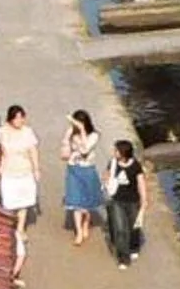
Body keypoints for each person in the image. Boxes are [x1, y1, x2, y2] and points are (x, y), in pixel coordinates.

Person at [0, 104, 40, 254]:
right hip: (8, 171)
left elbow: (33, 151)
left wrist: (36, 169)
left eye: (21, 117)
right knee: (9, 202)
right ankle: (7, 227)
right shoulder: (2, 131)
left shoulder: (28, 132)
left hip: (25, 171)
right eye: (17, 118)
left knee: (23, 203)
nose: (20, 120)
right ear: (11, 119)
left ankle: (20, 229)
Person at [60, 110, 104, 247]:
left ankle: (86, 222)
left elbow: (85, 150)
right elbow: (64, 152)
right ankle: (78, 232)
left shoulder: (94, 135)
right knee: (76, 203)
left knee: (86, 203)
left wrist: (82, 131)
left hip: (88, 170)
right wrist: (67, 137)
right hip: (73, 169)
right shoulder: (72, 133)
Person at [103, 139, 147, 268]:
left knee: (134, 226)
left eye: (116, 150)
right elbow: (106, 175)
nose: (114, 152)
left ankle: (134, 247)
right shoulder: (113, 163)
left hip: (133, 201)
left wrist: (144, 201)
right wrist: (106, 181)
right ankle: (123, 258)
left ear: (123, 153)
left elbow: (141, 184)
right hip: (117, 200)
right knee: (120, 229)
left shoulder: (135, 166)